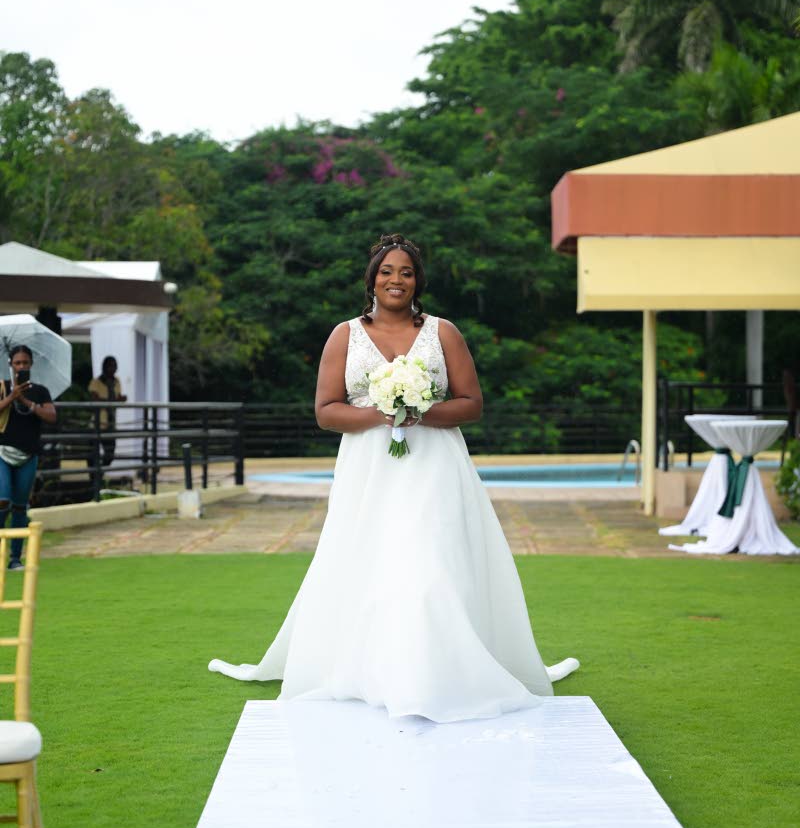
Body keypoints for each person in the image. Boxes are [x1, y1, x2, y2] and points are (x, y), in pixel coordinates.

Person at [210, 234, 578, 721]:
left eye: (405, 272)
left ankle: (436, 672)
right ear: (372, 279)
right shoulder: (345, 335)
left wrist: (420, 409)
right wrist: (384, 412)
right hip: (368, 469)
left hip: (434, 465)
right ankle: (373, 669)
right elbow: (325, 411)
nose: (396, 280)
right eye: (387, 272)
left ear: (417, 281)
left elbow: (472, 403)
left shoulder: (443, 333)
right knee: (373, 563)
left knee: (430, 565)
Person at [0, 345, 57, 570]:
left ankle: (15, 558)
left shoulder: (40, 391)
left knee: (20, 507)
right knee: (2, 500)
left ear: (31, 364)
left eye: (25, 363)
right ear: (10, 365)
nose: (21, 366)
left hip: (28, 455)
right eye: (17, 363)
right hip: (2, 452)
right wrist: (12, 396)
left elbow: (51, 416)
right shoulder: (3, 387)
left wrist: (26, 402)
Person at [88, 356, 127, 468]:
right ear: (104, 367)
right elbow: (95, 399)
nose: (113, 368)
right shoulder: (96, 382)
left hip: (111, 423)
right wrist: (113, 401)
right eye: (110, 365)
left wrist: (120, 399)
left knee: (110, 455)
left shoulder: (117, 382)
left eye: (114, 366)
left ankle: (100, 474)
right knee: (92, 455)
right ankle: (94, 479)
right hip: (97, 422)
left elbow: (118, 398)